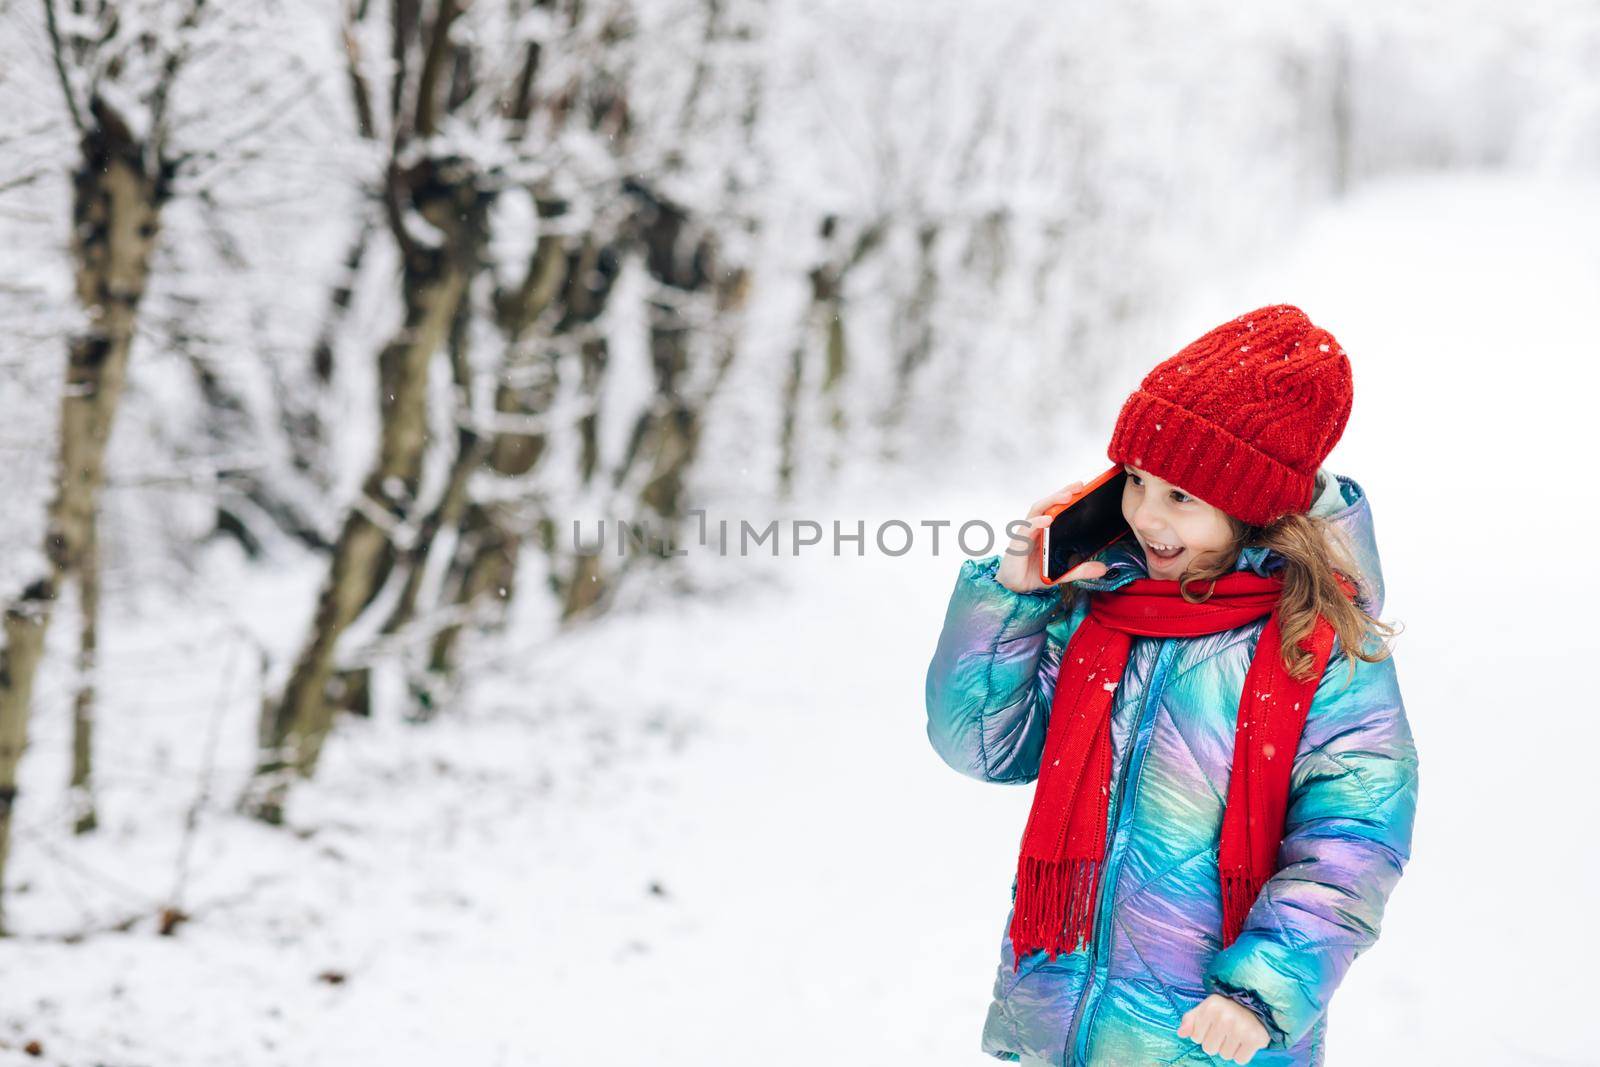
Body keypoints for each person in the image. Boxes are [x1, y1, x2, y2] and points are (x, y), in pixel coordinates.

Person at [924, 305, 1419, 1066]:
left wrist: (1261, 990)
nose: (1145, 514)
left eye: (1181, 496)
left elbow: (1355, 837)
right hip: (1062, 1026)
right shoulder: (1100, 605)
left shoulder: (1316, 640)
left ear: (1253, 506)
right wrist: (1011, 597)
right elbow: (982, 747)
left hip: (1211, 1036)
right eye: (1137, 481)